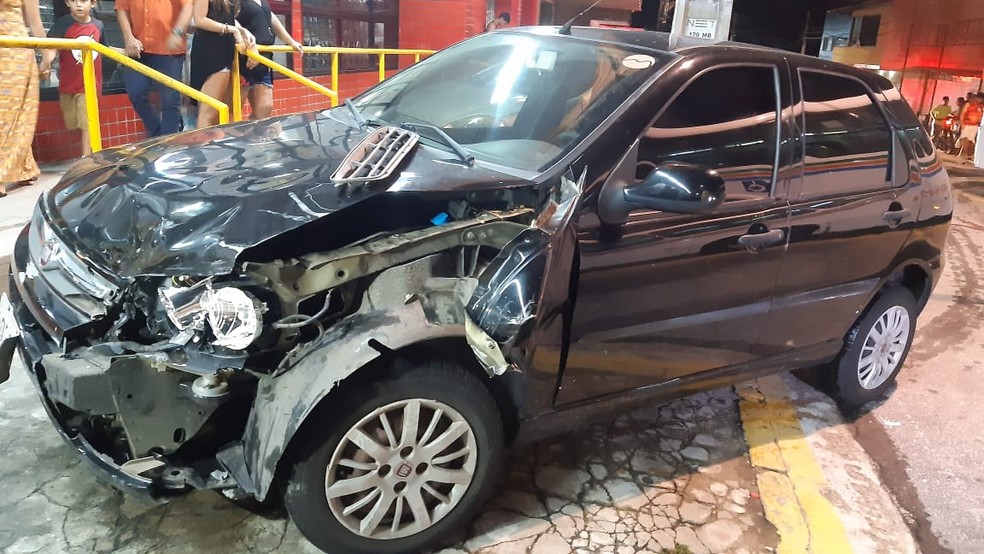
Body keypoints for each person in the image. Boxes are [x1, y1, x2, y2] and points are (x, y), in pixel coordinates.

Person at [39, 0, 110, 157]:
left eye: (83, 1)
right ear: (67, 3)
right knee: (72, 122)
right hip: (68, 84)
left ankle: (86, 157)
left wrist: (126, 52)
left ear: (92, 3)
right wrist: (45, 63)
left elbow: (105, 49)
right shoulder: (63, 24)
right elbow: (51, 48)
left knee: (87, 122)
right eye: (74, 1)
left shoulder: (99, 25)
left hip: (90, 84)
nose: (79, 5)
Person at [116, 0, 193, 137]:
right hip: (137, 48)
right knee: (135, 92)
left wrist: (177, 32)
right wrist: (128, 37)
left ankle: (169, 141)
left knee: (170, 99)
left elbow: (188, 6)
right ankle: (157, 136)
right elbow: (122, 9)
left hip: (169, 49)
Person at [0, 0, 44, 197]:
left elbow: (34, 21)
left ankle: (1, 174)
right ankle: (24, 167)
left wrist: (48, 54)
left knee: (9, 112)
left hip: (14, 53)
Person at [190, 0, 252, 127]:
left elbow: (223, 18)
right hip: (210, 49)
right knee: (209, 111)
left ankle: (208, 144)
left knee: (215, 112)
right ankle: (204, 146)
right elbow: (200, 19)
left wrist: (240, 30)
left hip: (224, 48)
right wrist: (232, 30)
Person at [236, 0, 302, 119]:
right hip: (244, 56)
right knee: (235, 109)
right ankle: (231, 135)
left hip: (264, 56)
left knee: (265, 108)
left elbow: (271, 17)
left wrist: (290, 41)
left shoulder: (263, 2)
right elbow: (230, 19)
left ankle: (253, 134)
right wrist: (248, 43)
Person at [955, 93, 982, 159]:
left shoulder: (980, 106)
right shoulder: (968, 104)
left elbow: (981, 115)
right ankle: (964, 153)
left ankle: (967, 154)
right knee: (964, 138)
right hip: (967, 124)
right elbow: (962, 114)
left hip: (975, 125)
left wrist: (979, 122)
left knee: (971, 140)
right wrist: (962, 123)